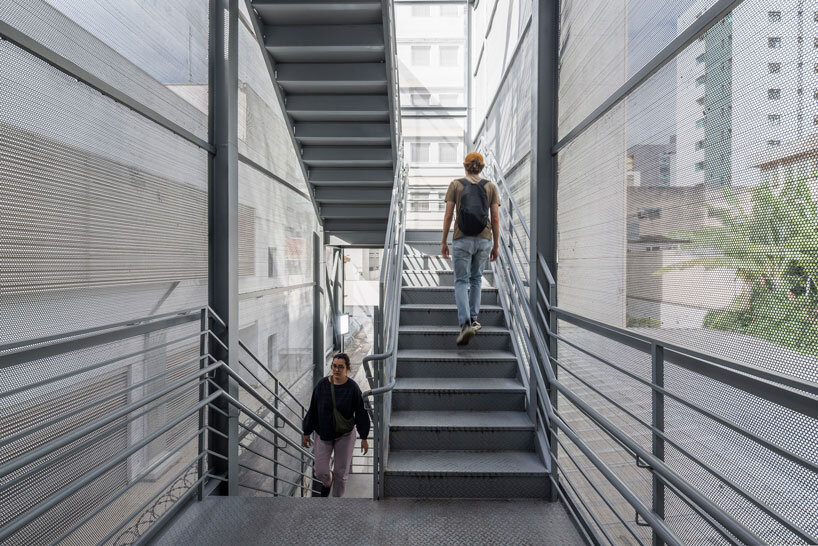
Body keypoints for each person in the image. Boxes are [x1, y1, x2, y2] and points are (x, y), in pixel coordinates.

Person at [441, 152, 500, 346]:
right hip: (484, 240)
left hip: (462, 239)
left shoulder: (456, 185)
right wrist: (496, 245)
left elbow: (448, 216)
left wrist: (444, 241)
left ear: (465, 166)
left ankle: (465, 323)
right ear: (482, 167)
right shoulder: (490, 186)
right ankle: (474, 319)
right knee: (476, 279)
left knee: (460, 281)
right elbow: (496, 218)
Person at [302, 353, 370, 497]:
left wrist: (364, 437)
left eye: (340, 367)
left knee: (341, 473)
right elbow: (313, 409)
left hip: (344, 435)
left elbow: (361, 413)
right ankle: (328, 482)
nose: (336, 369)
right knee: (320, 471)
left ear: (347, 368)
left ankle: (336, 501)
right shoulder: (322, 385)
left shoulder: (352, 388)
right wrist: (306, 432)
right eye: (334, 366)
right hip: (323, 434)